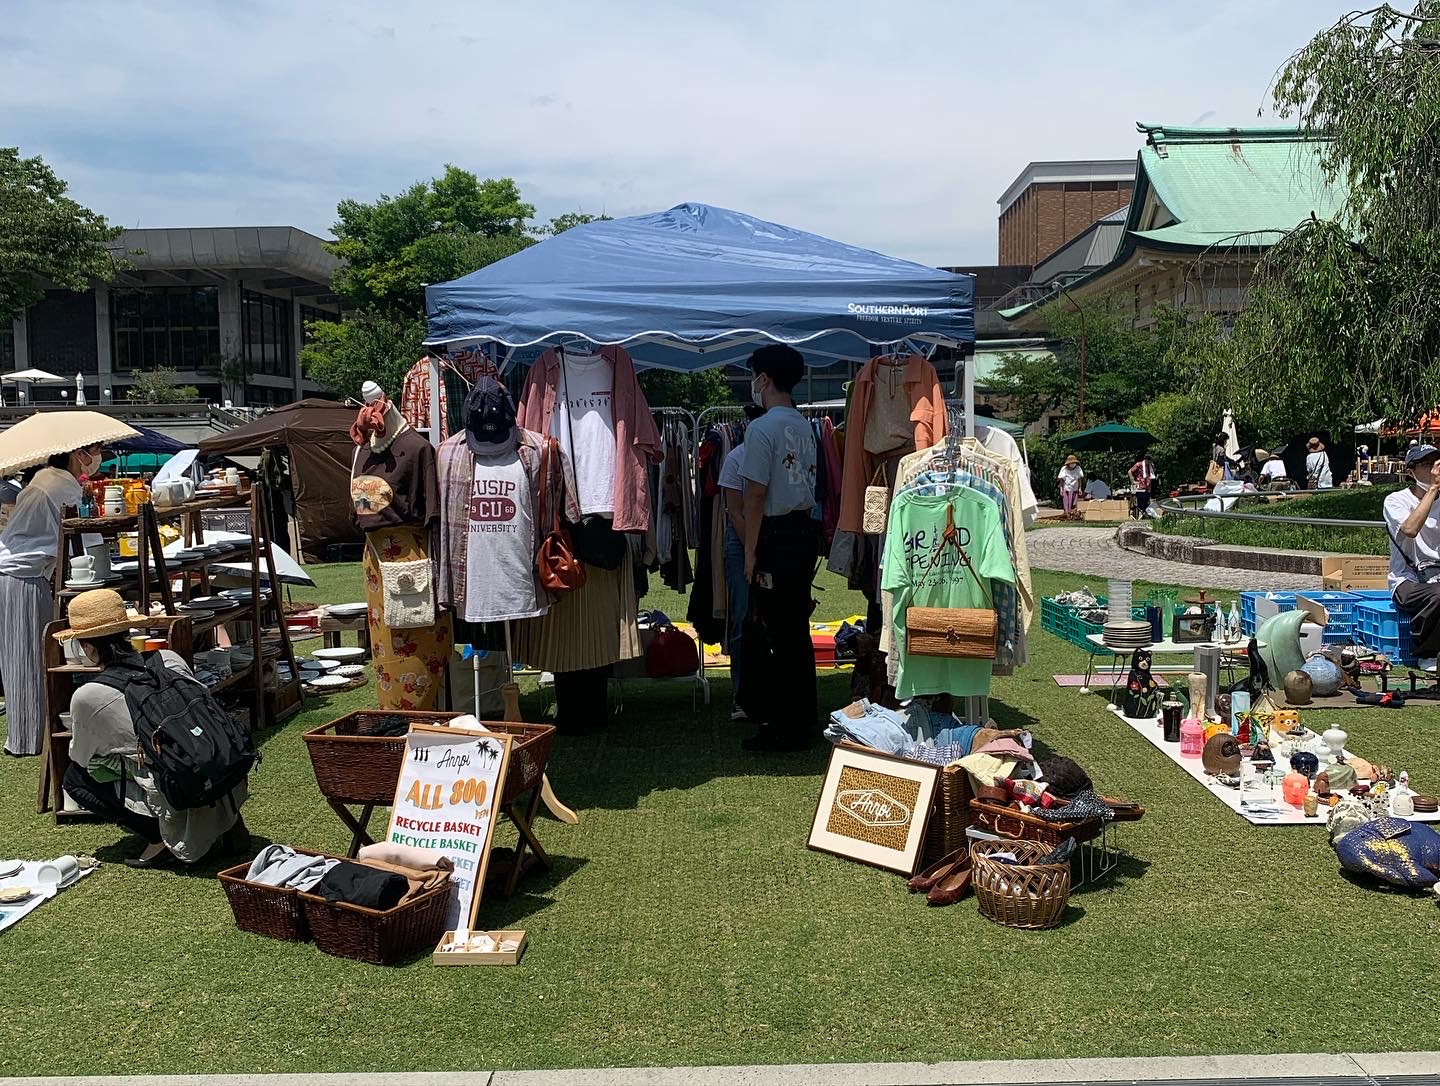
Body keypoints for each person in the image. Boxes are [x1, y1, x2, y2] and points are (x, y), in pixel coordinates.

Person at [59, 590, 249, 867]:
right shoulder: (169, 659)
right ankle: (224, 825)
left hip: (178, 791)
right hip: (223, 772)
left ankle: (159, 838)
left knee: (76, 778)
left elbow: (82, 757)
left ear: (87, 647)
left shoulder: (89, 696)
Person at [739, 344, 819, 753]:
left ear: (764, 379)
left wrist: (751, 551)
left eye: (754, 375)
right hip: (802, 534)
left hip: (774, 535)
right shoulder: (805, 426)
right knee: (796, 631)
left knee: (776, 632)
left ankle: (784, 723)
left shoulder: (761, 429)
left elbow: (754, 494)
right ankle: (802, 718)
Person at [0, 442, 100, 756]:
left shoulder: (50, 479)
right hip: (23, 576)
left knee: (29, 655)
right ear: (76, 454)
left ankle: (35, 732)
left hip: (26, 573)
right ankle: (30, 737)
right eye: (92, 451)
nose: (96, 457)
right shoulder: (56, 484)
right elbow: (82, 529)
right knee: (29, 656)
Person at [717, 403, 766, 722]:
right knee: (741, 617)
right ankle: (741, 694)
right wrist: (752, 548)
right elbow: (734, 512)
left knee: (770, 618)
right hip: (742, 540)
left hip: (767, 535)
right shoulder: (735, 459)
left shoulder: (767, 456)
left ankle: (767, 690)